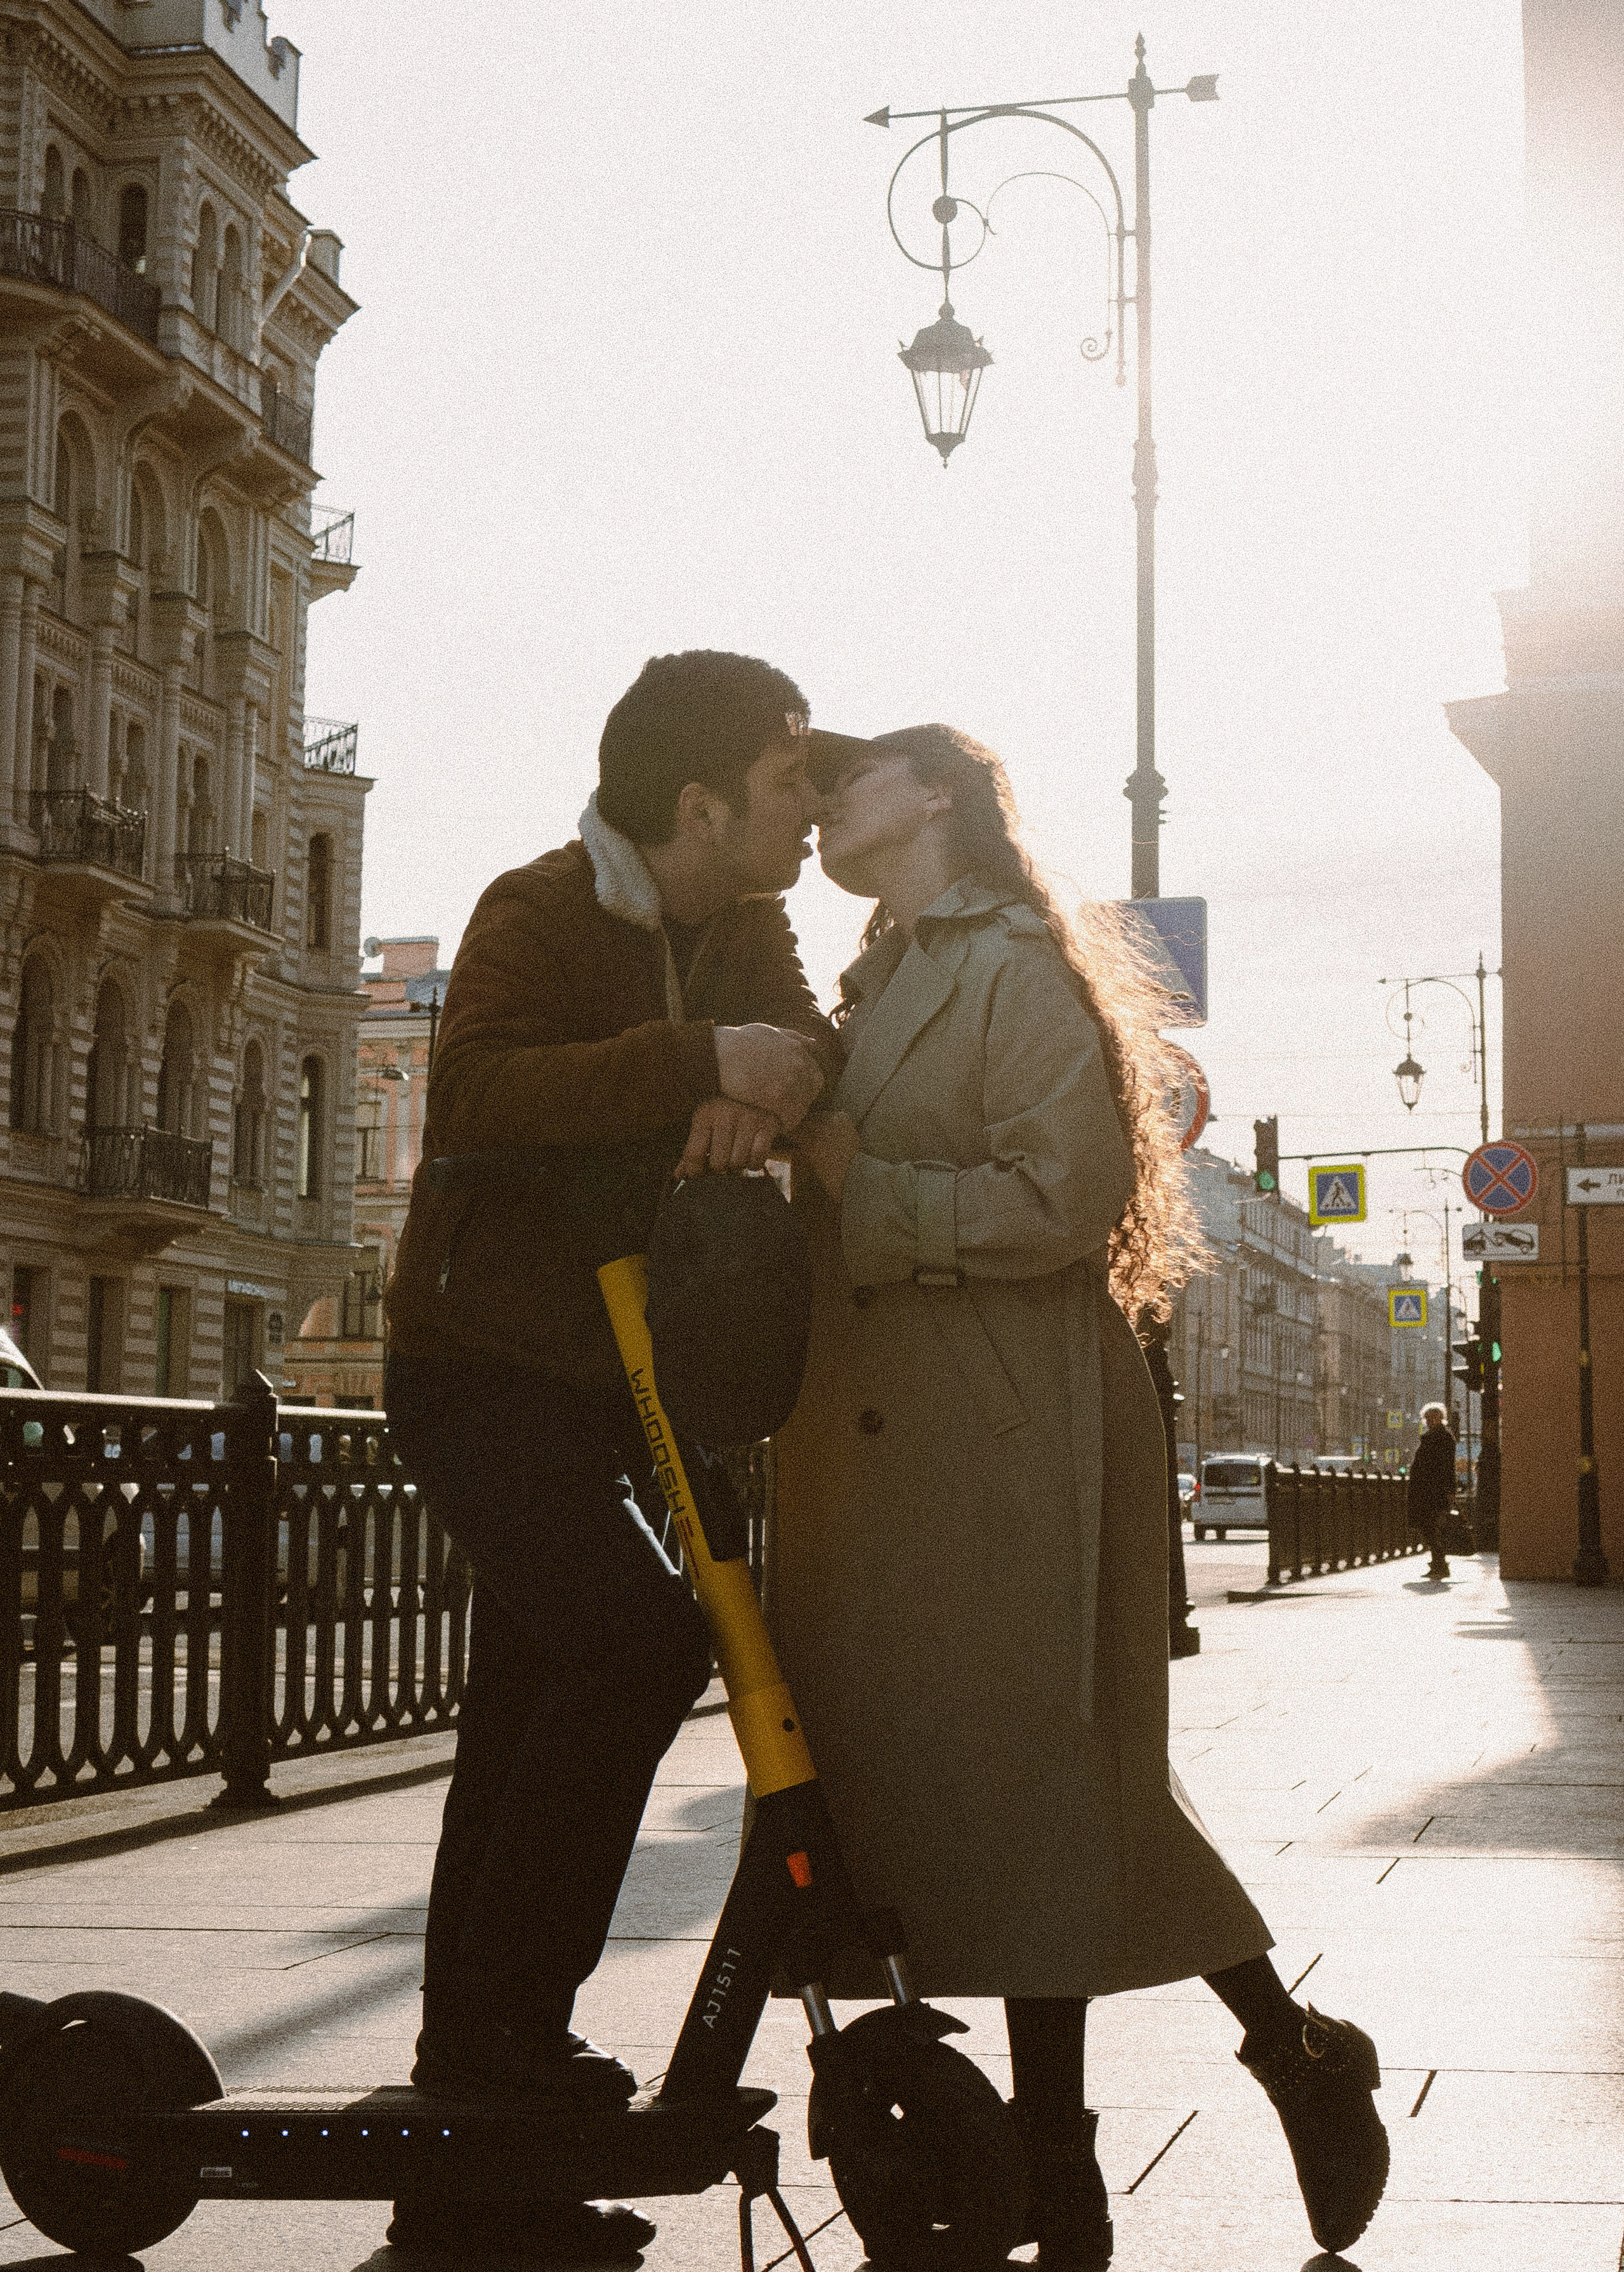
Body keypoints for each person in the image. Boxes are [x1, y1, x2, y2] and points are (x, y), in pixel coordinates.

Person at [779, 725, 1389, 2271]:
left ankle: (1075, 2156)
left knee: (1045, 1792)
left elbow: (1062, 1198)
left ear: (932, 795)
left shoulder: (1011, 967)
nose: (820, 800)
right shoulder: (881, 972)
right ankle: (1279, 2063)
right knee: (1008, 1805)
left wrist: (866, 1189)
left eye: (846, 774)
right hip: (897, 1440)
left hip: (1005, 1426)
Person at [381, 652, 836, 2261]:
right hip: (482, 1368)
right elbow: (481, 1092)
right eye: (789, 777)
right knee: (634, 1644)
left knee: (528, 1701)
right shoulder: (538, 905)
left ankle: (479, 2057)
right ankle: (498, 2029)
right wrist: (699, 1064)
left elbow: (805, 1041)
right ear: (698, 803)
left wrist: (760, 1089)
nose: (814, 801)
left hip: (621, 1377)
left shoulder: (740, 921)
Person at [1410, 1402, 1459, 1579]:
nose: (1430, 1421)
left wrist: (1450, 1490)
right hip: (1426, 1491)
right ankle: (1438, 1564)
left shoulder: (1443, 1438)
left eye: (1434, 1417)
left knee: (1431, 1528)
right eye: (1428, 1418)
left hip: (1434, 1491)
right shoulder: (1432, 1437)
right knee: (1429, 1528)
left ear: (1441, 1419)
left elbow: (1447, 1467)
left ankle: (1440, 1565)